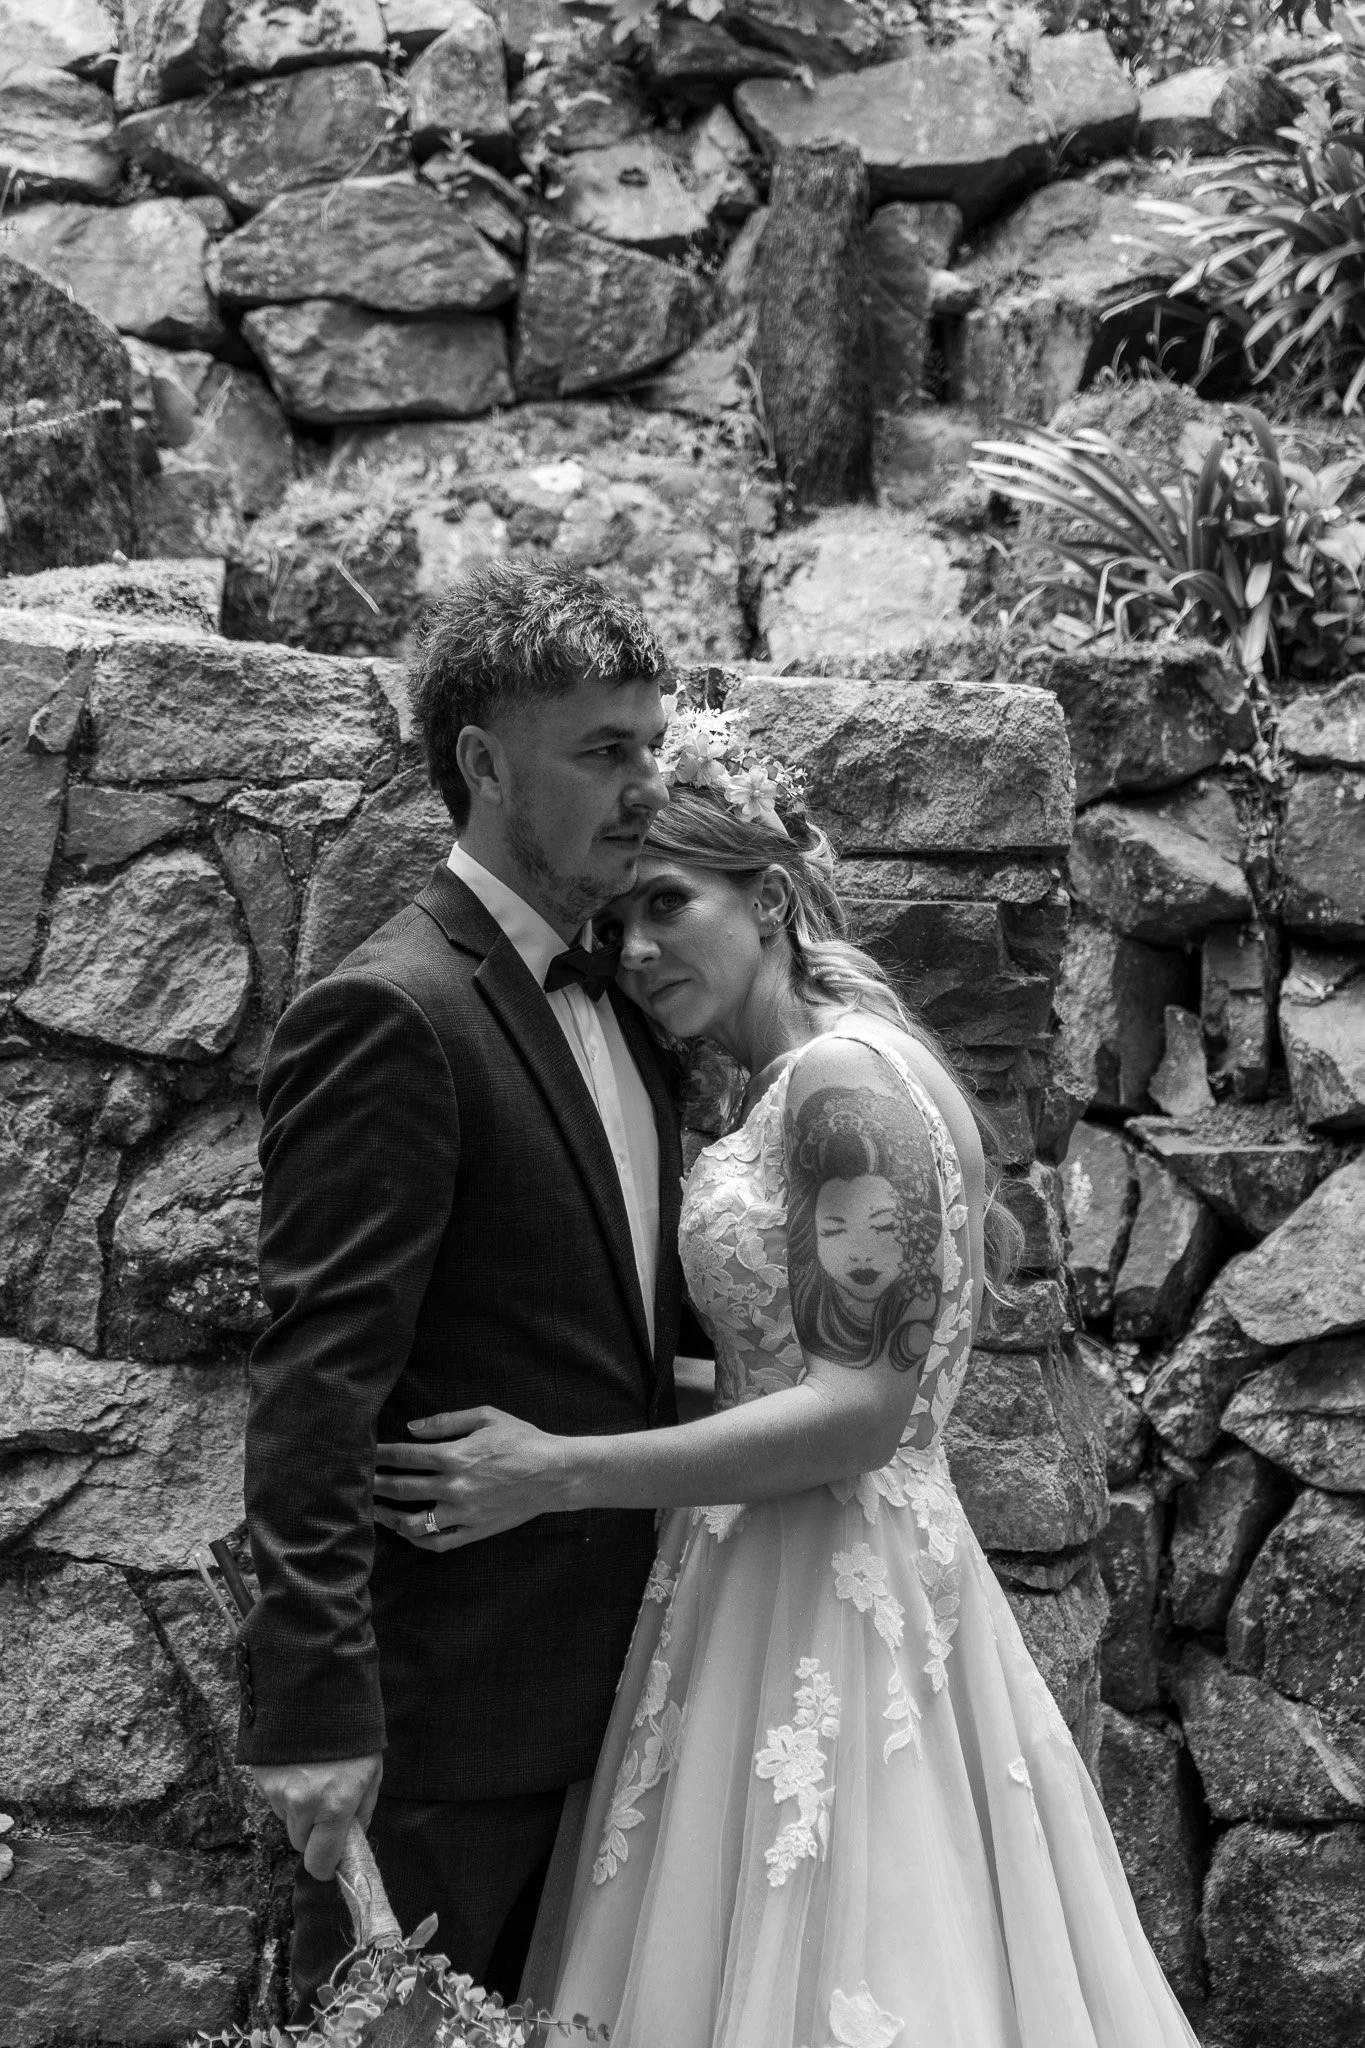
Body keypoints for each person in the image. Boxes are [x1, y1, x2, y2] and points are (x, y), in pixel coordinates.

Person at [373, 704, 1203, 2048]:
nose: (637, 955)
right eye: (617, 924)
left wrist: (557, 1472)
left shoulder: (838, 1091)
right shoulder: (811, 1084)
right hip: (778, 1570)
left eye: (668, 906)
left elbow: (856, 1418)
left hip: (825, 1584)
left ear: (769, 901)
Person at [236, 561, 700, 2018]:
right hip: (448, 1730)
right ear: (486, 767)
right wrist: (313, 1708)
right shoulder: (392, 1013)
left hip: (623, 1706)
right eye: (602, 751)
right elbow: (317, 1383)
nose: (644, 789)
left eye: (652, 745)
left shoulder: (630, 992)